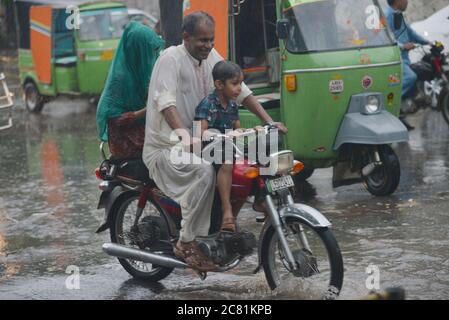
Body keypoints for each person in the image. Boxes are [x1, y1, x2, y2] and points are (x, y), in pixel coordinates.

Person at [143, 11, 287, 272]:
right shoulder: (170, 59)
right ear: (186, 37)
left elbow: (241, 90)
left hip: (203, 141)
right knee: (203, 172)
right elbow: (166, 103)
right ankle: (186, 242)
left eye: (211, 40)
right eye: (202, 40)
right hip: (168, 146)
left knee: (248, 164)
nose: (208, 46)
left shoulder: (209, 58)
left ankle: (226, 223)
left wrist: (268, 121)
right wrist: (183, 136)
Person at [96, 22, 165, 159]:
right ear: (138, 50)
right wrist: (149, 109)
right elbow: (117, 120)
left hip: (143, 133)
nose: (153, 55)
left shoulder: (140, 71)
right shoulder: (121, 79)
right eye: (149, 51)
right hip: (127, 141)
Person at [194, 61, 245, 233]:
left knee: (250, 166)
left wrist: (252, 131)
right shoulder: (207, 104)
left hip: (227, 147)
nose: (239, 88)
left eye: (241, 83)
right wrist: (218, 136)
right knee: (227, 160)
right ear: (219, 84)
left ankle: (256, 203)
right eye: (234, 83)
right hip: (206, 150)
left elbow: (238, 128)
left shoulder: (232, 105)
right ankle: (227, 210)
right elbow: (200, 133)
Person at [384, 0, 431, 130]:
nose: (407, 2)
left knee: (414, 77)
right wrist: (403, 46)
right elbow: (385, 37)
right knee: (410, 77)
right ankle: (389, 106)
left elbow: (409, 32)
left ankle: (401, 115)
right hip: (395, 57)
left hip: (404, 57)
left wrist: (427, 42)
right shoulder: (388, 15)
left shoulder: (397, 14)